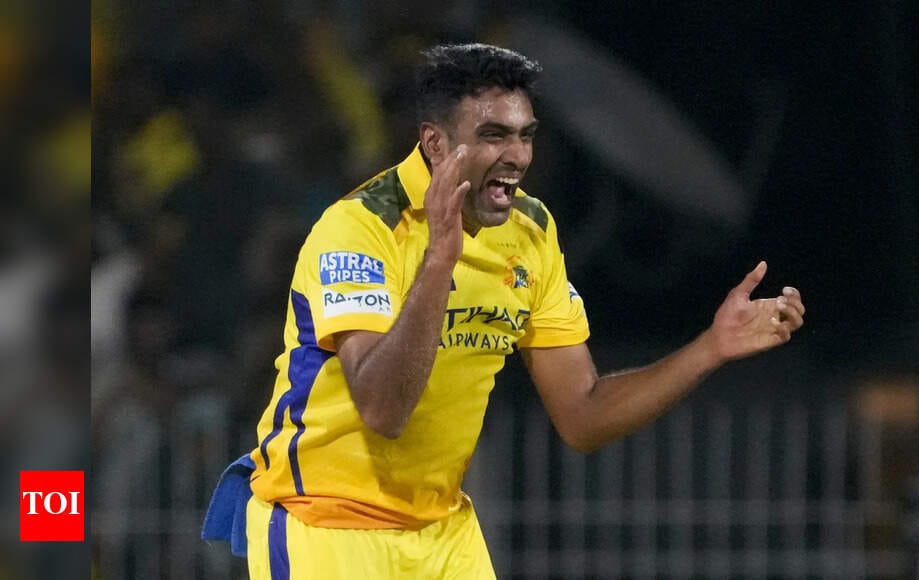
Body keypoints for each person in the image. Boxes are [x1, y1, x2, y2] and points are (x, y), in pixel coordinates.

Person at [203, 43, 805, 579]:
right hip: (323, 526)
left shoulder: (531, 233)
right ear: (435, 143)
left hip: (442, 531)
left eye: (526, 135)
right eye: (494, 135)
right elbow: (383, 410)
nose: (517, 155)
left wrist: (711, 347)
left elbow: (582, 415)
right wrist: (441, 260)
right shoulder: (360, 228)